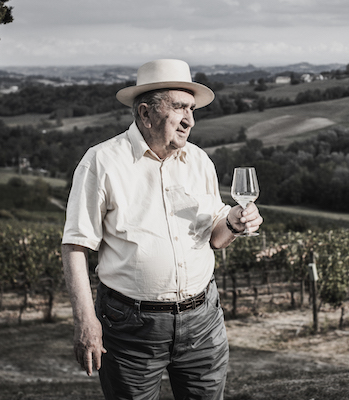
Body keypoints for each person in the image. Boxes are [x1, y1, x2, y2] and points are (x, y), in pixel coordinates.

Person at [61, 58, 263, 400]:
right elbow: (76, 246)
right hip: (130, 326)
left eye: (193, 109)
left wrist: (233, 223)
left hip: (203, 321)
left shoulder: (199, 161)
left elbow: (215, 237)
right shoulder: (102, 162)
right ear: (146, 113)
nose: (190, 120)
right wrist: (85, 320)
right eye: (180, 108)